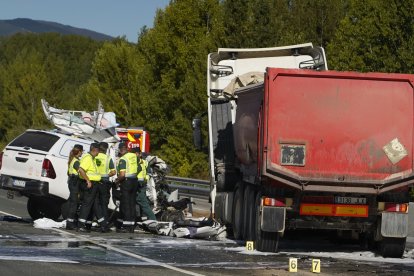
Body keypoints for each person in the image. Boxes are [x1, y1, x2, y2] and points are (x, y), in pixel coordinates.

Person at [77, 143, 109, 233]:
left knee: (96, 205)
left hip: (94, 184)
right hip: (89, 184)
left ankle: (103, 225)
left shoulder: (92, 158)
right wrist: (88, 181)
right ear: (95, 149)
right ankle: (80, 225)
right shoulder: (88, 158)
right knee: (87, 204)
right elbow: (81, 170)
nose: (99, 152)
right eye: (98, 150)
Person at [115, 143, 138, 233]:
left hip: (126, 182)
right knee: (132, 203)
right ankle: (132, 225)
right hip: (134, 181)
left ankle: (127, 226)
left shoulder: (123, 159)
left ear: (120, 150)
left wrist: (117, 181)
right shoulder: (133, 156)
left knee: (126, 204)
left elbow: (122, 175)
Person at [94, 142, 116, 222]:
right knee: (104, 203)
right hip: (104, 182)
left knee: (94, 203)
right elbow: (113, 172)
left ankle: (94, 221)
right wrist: (106, 175)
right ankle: (105, 222)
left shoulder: (94, 156)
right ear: (106, 149)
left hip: (94, 182)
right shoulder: (108, 158)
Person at [135, 148, 156, 221]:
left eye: (136, 153)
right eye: (134, 153)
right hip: (133, 185)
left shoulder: (145, 162)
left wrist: (145, 179)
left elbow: (149, 173)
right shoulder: (131, 162)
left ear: (140, 154)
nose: (135, 155)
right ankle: (141, 220)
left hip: (141, 185)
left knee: (143, 203)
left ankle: (153, 220)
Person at [66, 144, 83, 230]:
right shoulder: (76, 161)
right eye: (82, 151)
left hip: (72, 182)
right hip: (74, 183)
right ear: (79, 151)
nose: (82, 153)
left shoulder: (72, 159)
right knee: (74, 204)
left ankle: (71, 222)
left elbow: (68, 173)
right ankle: (70, 223)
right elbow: (80, 171)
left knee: (73, 202)